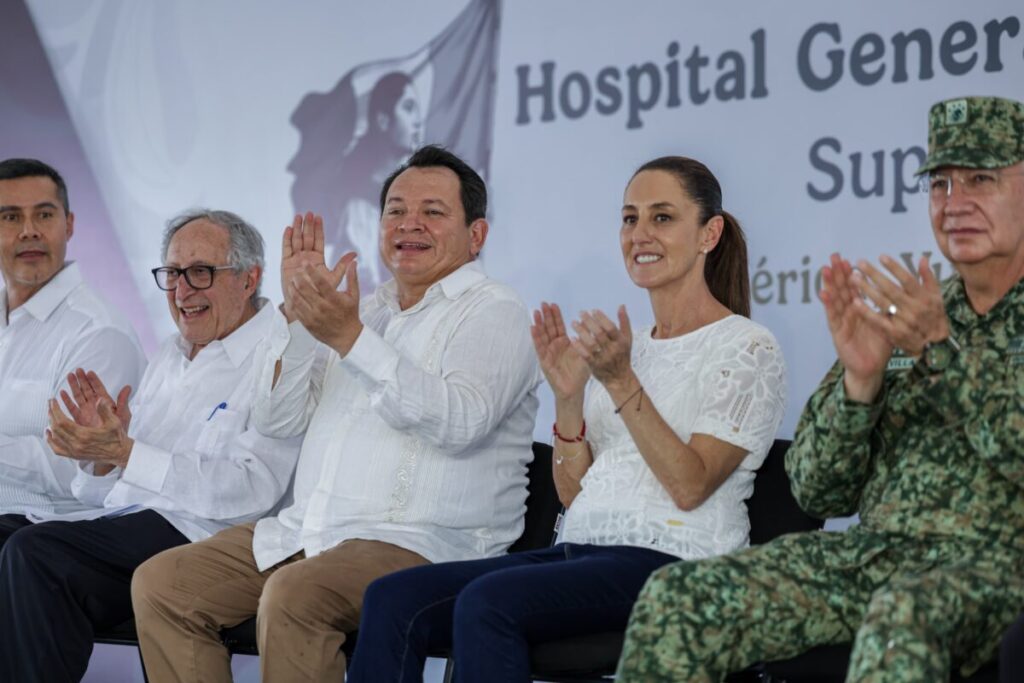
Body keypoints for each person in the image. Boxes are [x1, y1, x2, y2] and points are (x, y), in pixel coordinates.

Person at [616, 95, 1024, 682]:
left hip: (998, 565)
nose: (954, 202)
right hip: (877, 558)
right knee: (677, 598)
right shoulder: (911, 313)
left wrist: (943, 357)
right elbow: (817, 490)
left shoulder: (927, 328)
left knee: (902, 618)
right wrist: (860, 385)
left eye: (980, 179)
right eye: (940, 184)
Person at [346, 155, 787, 683]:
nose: (640, 234)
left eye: (662, 217)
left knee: (488, 601)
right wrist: (570, 399)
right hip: (582, 554)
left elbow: (690, 487)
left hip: (679, 563)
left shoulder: (747, 346)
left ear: (709, 234)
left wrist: (621, 382)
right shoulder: (628, 346)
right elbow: (575, 493)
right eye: (630, 218)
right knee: (393, 598)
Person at [131, 145, 540, 682]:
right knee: (163, 585)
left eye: (432, 212)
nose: (409, 224)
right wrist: (300, 318)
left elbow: (460, 422)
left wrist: (350, 339)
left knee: (295, 596)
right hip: (310, 532)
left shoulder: (496, 310)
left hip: (424, 544)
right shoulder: (363, 310)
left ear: (477, 235)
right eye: (396, 211)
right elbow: (279, 420)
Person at [0, 209, 303, 683]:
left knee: (36, 554)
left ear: (249, 279)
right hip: (129, 525)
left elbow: (252, 491)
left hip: (206, 536)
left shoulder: (281, 354)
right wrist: (101, 455)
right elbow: (109, 493)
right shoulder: (169, 354)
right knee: (6, 536)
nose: (182, 291)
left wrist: (126, 453)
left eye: (201, 272)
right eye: (173, 274)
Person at [0, 158, 145, 536]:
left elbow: (80, 472)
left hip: (40, 529)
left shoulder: (99, 333)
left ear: (69, 224)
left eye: (44, 215)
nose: (29, 231)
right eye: (10, 217)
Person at [290, 71, 424, 286]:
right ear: (383, 120)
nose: (418, 121)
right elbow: (360, 287)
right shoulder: (362, 207)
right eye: (408, 108)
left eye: (418, 110)